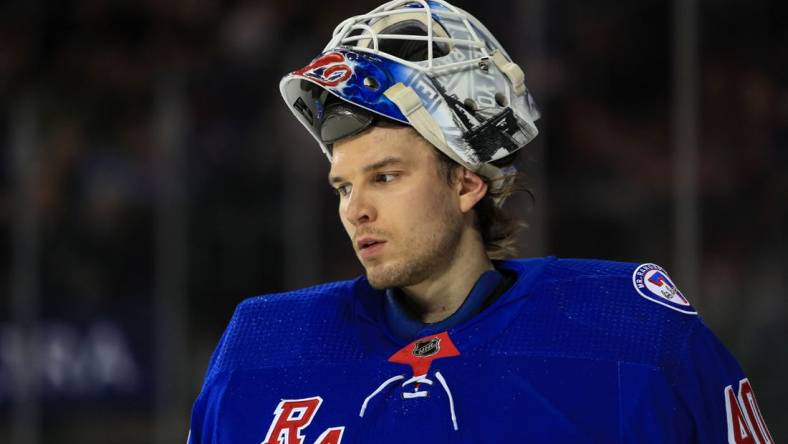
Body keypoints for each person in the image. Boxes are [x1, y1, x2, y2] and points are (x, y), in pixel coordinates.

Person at [188, 1, 773, 442]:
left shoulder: (632, 330)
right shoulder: (258, 350)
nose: (355, 209)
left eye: (385, 177)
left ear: (467, 181)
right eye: (345, 185)